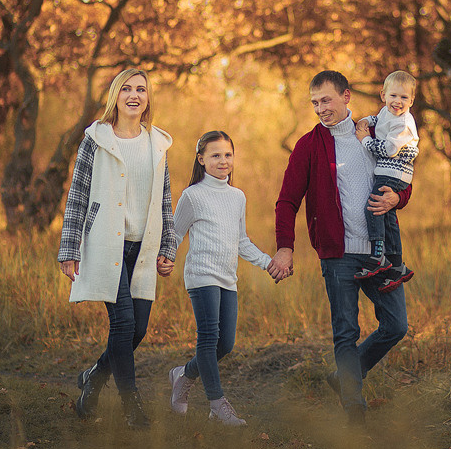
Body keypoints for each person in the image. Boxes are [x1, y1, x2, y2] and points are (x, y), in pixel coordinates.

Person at [270, 70, 411, 425]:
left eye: (326, 100)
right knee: (346, 331)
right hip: (338, 253)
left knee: (396, 325)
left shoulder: (376, 132)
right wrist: (285, 247)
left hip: (380, 252)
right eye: (315, 103)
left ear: (346, 97)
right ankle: (354, 410)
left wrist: (399, 197)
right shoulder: (308, 145)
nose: (320, 108)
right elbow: (287, 201)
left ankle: (344, 378)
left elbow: (402, 174)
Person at [58, 68, 177, 430]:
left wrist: (168, 245)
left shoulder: (157, 143)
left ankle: (94, 378)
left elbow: (165, 198)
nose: (134, 95)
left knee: (137, 329)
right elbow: (78, 195)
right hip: (107, 245)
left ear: (147, 97)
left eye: (140, 89)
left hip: (142, 248)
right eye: (126, 88)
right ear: (115, 96)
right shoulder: (96, 139)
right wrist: (69, 248)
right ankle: (132, 407)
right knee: (123, 323)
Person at [167, 131, 275, 427]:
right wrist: (165, 258)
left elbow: (241, 240)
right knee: (209, 337)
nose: (223, 161)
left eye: (227, 155)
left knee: (225, 344)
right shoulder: (193, 195)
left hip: (228, 277)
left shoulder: (237, 196)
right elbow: (175, 233)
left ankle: (183, 375)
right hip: (201, 275)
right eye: (215, 155)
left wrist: (268, 263)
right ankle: (217, 405)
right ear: (201, 160)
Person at [353, 70, 419, 291]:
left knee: (374, 209)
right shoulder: (386, 112)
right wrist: (365, 120)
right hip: (389, 172)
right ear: (383, 95)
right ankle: (398, 266)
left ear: (411, 100)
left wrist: (365, 140)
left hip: (394, 172)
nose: (397, 102)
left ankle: (378, 255)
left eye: (404, 98)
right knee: (388, 217)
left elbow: (389, 148)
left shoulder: (404, 123)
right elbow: (379, 119)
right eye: (393, 96)